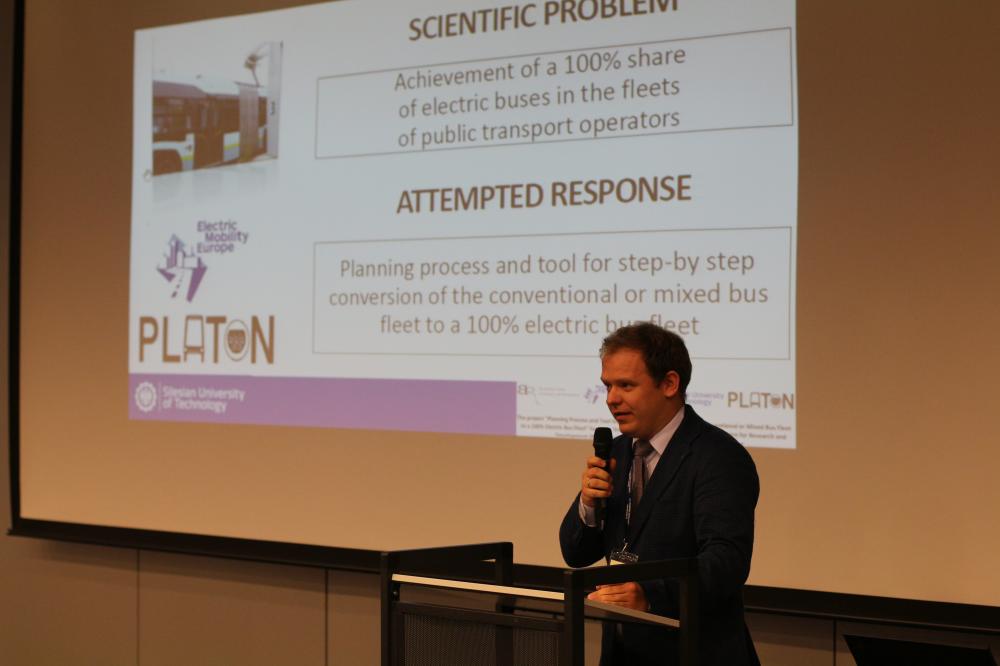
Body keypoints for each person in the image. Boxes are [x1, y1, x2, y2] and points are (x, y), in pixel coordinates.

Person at [559, 322, 760, 665]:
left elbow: (726, 562)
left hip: (692, 653)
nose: (611, 399)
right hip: (623, 654)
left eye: (626, 385)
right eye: (607, 385)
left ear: (669, 384)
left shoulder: (717, 456)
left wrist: (649, 595)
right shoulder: (616, 452)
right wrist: (589, 504)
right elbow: (575, 553)